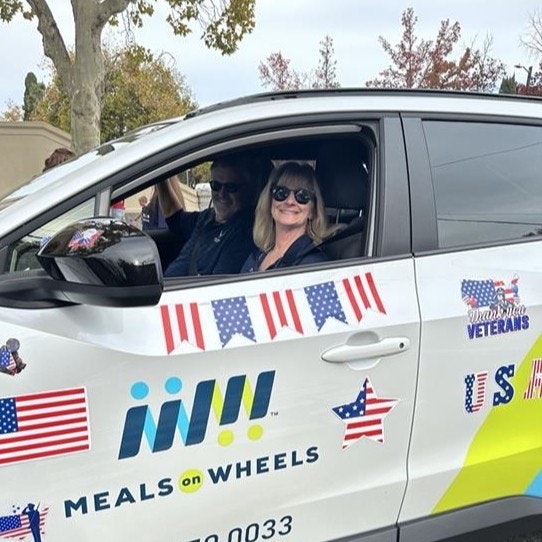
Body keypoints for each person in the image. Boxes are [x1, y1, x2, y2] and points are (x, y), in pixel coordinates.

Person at [157, 155, 260, 277]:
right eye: (216, 186)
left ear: (248, 190)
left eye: (230, 187)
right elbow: (175, 218)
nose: (221, 194)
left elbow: (216, 285)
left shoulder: (245, 232)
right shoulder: (207, 217)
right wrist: (159, 176)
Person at [241, 161, 332, 273]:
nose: (290, 201)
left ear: (312, 211)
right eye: (281, 192)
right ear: (269, 202)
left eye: (302, 195)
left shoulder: (313, 265)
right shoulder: (258, 256)